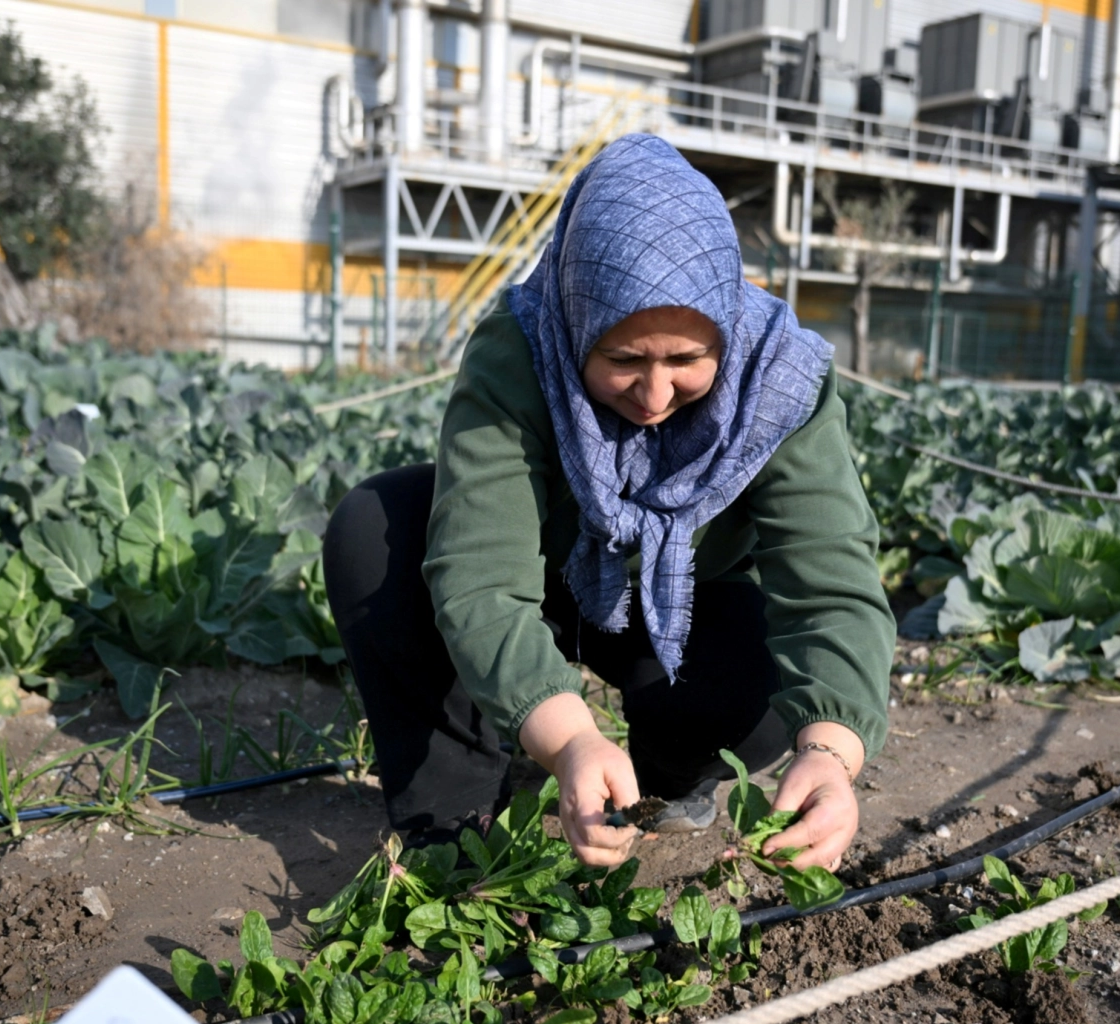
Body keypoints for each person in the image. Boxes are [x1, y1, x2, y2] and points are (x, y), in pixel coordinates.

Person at [322, 134, 895, 873]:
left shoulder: (777, 381)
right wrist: (568, 738)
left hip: (682, 606)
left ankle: (668, 779)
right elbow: (481, 578)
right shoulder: (523, 349)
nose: (655, 396)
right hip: (544, 578)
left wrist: (830, 753)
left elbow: (832, 584)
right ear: (577, 322)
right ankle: (453, 823)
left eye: (687, 361)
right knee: (375, 529)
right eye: (623, 359)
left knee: (755, 664)